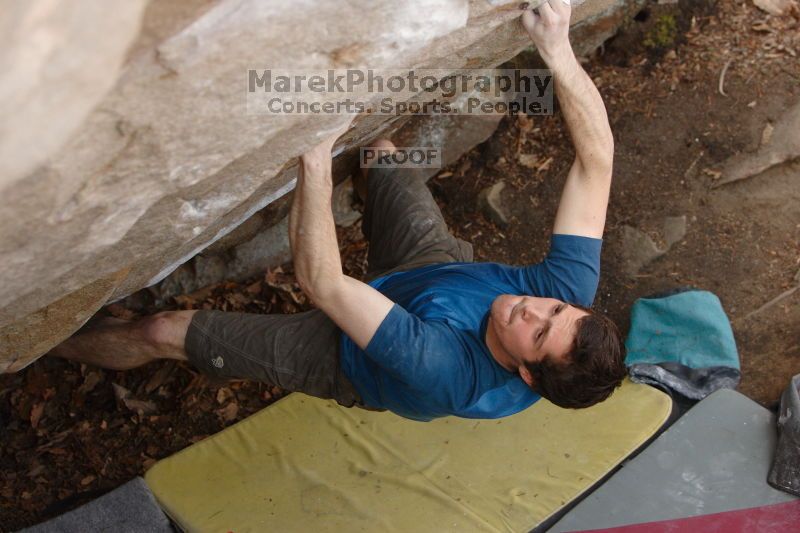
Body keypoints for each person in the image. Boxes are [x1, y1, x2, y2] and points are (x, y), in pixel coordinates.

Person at [51, 0, 626, 422]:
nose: (530, 308)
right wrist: (556, 47)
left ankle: (49, 345)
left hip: (350, 355)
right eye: (551, 307)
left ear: (525, 373)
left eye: (536, 332)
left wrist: (317, 150)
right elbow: (597, 161)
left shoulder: (449, 373)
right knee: (382, 156)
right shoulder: (567, 294)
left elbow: (323, 283)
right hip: (433, 269)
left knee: (160, 330)